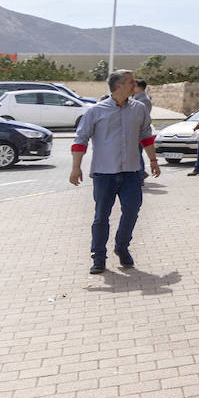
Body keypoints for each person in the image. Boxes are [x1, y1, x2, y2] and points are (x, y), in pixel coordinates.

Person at [69, 69, 160, 274]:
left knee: (132, 210)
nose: (134, 84)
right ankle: (98, 257)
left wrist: (153, 160)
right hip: (104, 173)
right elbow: (80, 139)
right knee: (101, 216)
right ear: (119, 85)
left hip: (131, 173)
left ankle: (122, 246)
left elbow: (146, 135)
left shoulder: (139, 109)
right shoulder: (95, 111)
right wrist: (76, 168)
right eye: (131, 82)